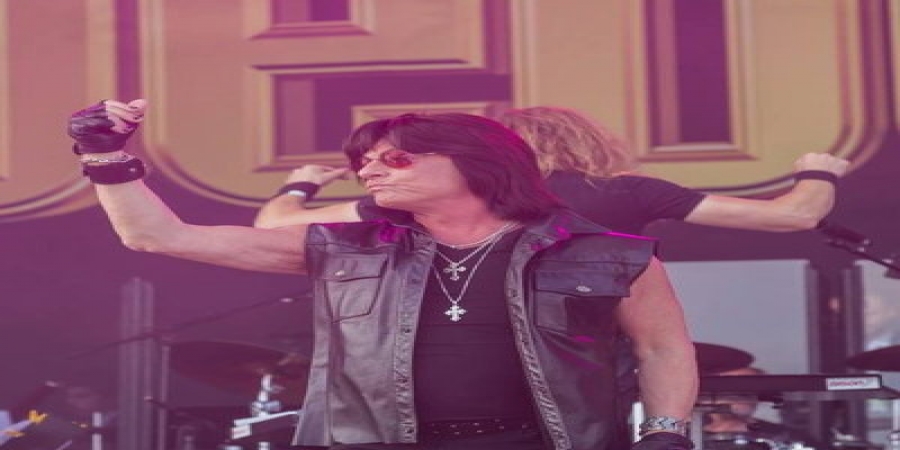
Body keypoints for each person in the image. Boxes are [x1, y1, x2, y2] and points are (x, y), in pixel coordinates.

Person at [68, 99, 698, 450]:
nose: (368, 171)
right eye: (365, 161)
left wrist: (665, 432)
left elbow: (663, 348)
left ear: (478, 163)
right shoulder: (347, 247)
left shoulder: (604, 252)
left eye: (394, 159)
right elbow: (157, 235)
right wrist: (105, 154)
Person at [254, 106, 849, 234]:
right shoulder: (628, 192)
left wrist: (301, 181)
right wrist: (817, 172)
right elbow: (794, 218)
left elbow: (274, 224)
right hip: (598, 360)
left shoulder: (439, 194)